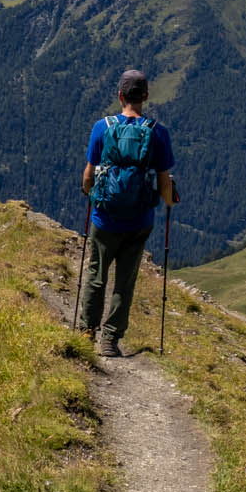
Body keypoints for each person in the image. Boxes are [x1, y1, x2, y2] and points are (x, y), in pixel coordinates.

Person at [77, 69, 178, 356]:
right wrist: (169, 201)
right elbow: (163, 181)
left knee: (97, 275)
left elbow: (88, 175)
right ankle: (110, 339)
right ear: (145, 96)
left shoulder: (102, 127)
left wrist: (91, 194)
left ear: (120, 95)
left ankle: (86, 331)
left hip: (104, 217)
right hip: (139, 220)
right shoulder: (158, 132)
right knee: (125, 281)